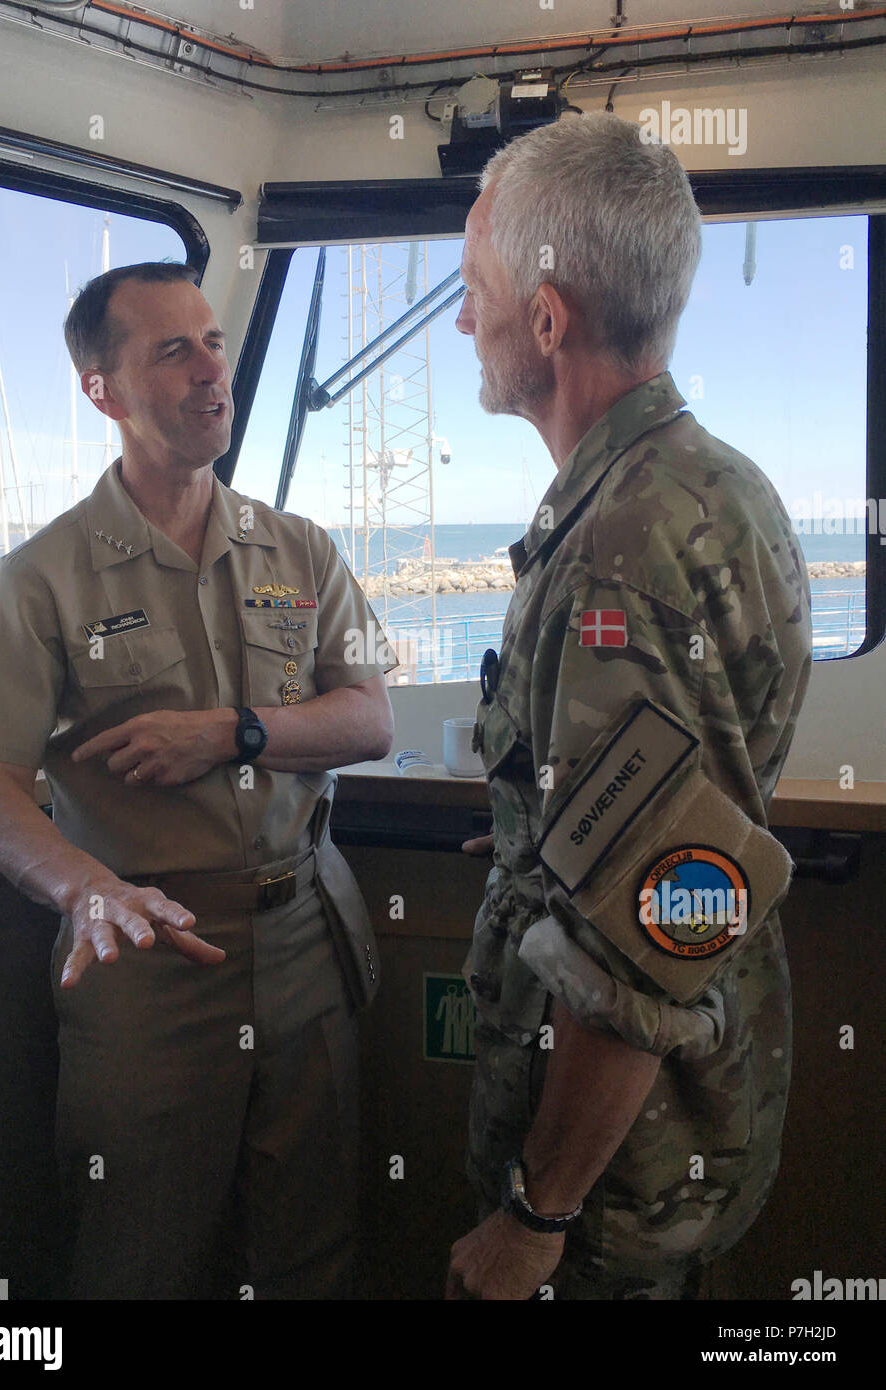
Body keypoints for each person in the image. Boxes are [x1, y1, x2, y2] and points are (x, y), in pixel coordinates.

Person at [0, 261, 395, 1299]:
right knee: (137, 1251)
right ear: (103, 389)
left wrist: (237, 730)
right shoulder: (42, 576)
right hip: (144, 947)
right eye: (171, 350)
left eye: (215, 342)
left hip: (304, 935)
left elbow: (370, 716)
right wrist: (81, 888)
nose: (209, 371)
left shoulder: (303, 549)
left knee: (310, 1251)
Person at [445, 112, 811, 1300]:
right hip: (691, 1110)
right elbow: (675, 813)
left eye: (474, 291)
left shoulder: (615, 549)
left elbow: (644, 934)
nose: (464, 322)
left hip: (609, 1176)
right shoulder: (717, 481)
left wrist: (534, 1215)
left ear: (545, 322)